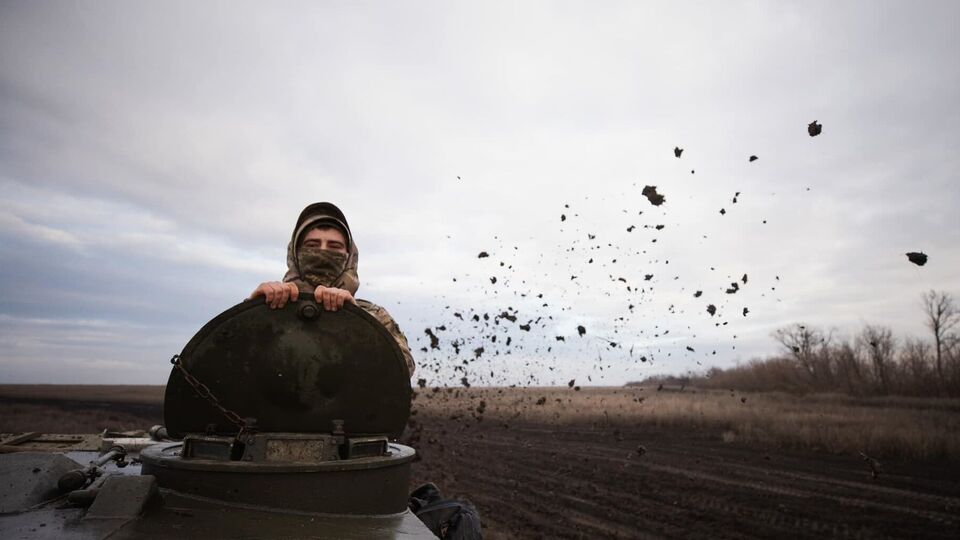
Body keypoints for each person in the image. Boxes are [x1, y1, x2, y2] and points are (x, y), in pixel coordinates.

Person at [250, 202, 415, 376]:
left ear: (349, 256)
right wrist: (253, 313)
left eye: (334, 246)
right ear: (295, 253)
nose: (323, 251)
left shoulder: (375, 316)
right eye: (312, 245)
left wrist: (355, 319)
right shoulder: (271, 306)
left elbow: (401, 371)